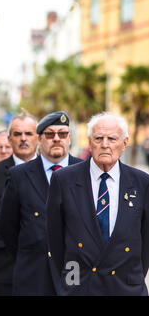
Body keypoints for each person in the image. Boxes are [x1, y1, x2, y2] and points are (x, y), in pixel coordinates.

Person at [47, 112, 149, 296]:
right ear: (89, 142)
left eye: (112, 138)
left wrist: (132, 278)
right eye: (98, 138)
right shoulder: (63, 180)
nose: (105, 144)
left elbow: (146, 241)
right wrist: (71, 283)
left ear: (124, 143)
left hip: (126, 288)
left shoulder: (142, 182)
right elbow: (56, 241)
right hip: (80, 286)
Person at [0, 112, 82, 295]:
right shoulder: (18, 175)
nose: (56, 139)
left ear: (69, 138)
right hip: (33, 275)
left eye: (62, 134)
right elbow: (7, 228)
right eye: (50, 134)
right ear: (39, 139)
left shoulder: (86, 171)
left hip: (75, 273)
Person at [0, 112, 39, 295]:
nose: (23, 139)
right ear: (10, 139)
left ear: (38, 138)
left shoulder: (52, 172)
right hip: (4, 268)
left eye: (28, 134)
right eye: (18, 134)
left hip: (41, 269)